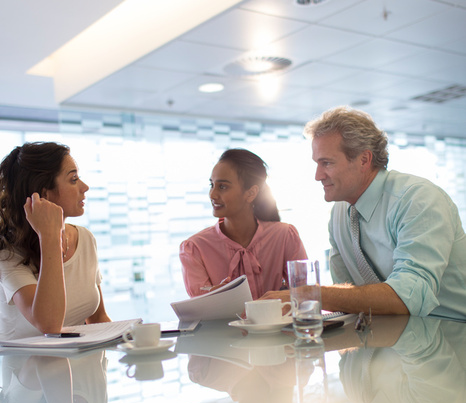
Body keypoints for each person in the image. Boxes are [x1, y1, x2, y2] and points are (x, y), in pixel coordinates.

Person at [264, 106, 466, 318]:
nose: (318, 175)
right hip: (389, 339)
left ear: (363, 160)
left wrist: (309, 295)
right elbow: (347, 297)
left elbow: (409, 297)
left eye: (327, 163)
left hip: (451, 336)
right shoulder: (340, 214)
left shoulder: (417, 199)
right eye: (317, 163)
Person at [0, 142, 110, 340]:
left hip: (84, 368)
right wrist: (50, 236)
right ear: (43, 194)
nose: (85, 187)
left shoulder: (85, 239)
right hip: (26, 368)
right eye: (73, 179)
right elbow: (49, 325)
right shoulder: (8, 253)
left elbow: (99, 319)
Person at [179, 148, 307, 300]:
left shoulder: (285, 235)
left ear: (251, 193)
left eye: (222, 186)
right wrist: (217, 298)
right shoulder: (194, 248)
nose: (212, 194)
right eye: (211, 185)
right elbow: (202, 310)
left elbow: (306, 294)